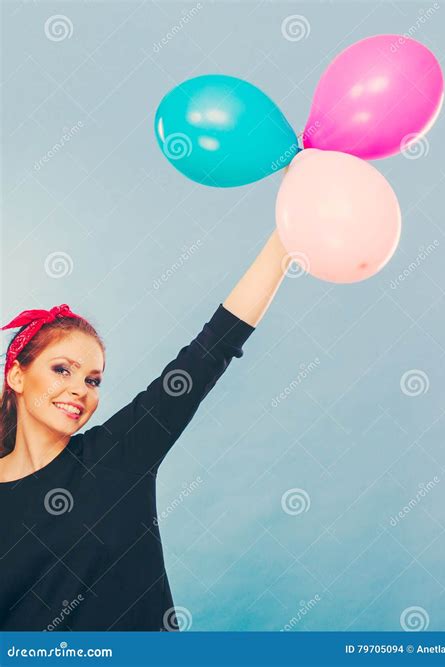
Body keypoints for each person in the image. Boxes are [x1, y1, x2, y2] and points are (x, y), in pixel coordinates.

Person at [0, 229, 291, 631]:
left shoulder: (118, 456)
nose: (79, 390)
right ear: (16, 374)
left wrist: (288, 236)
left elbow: (213, 348)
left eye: (93, 380)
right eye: (62, 369)